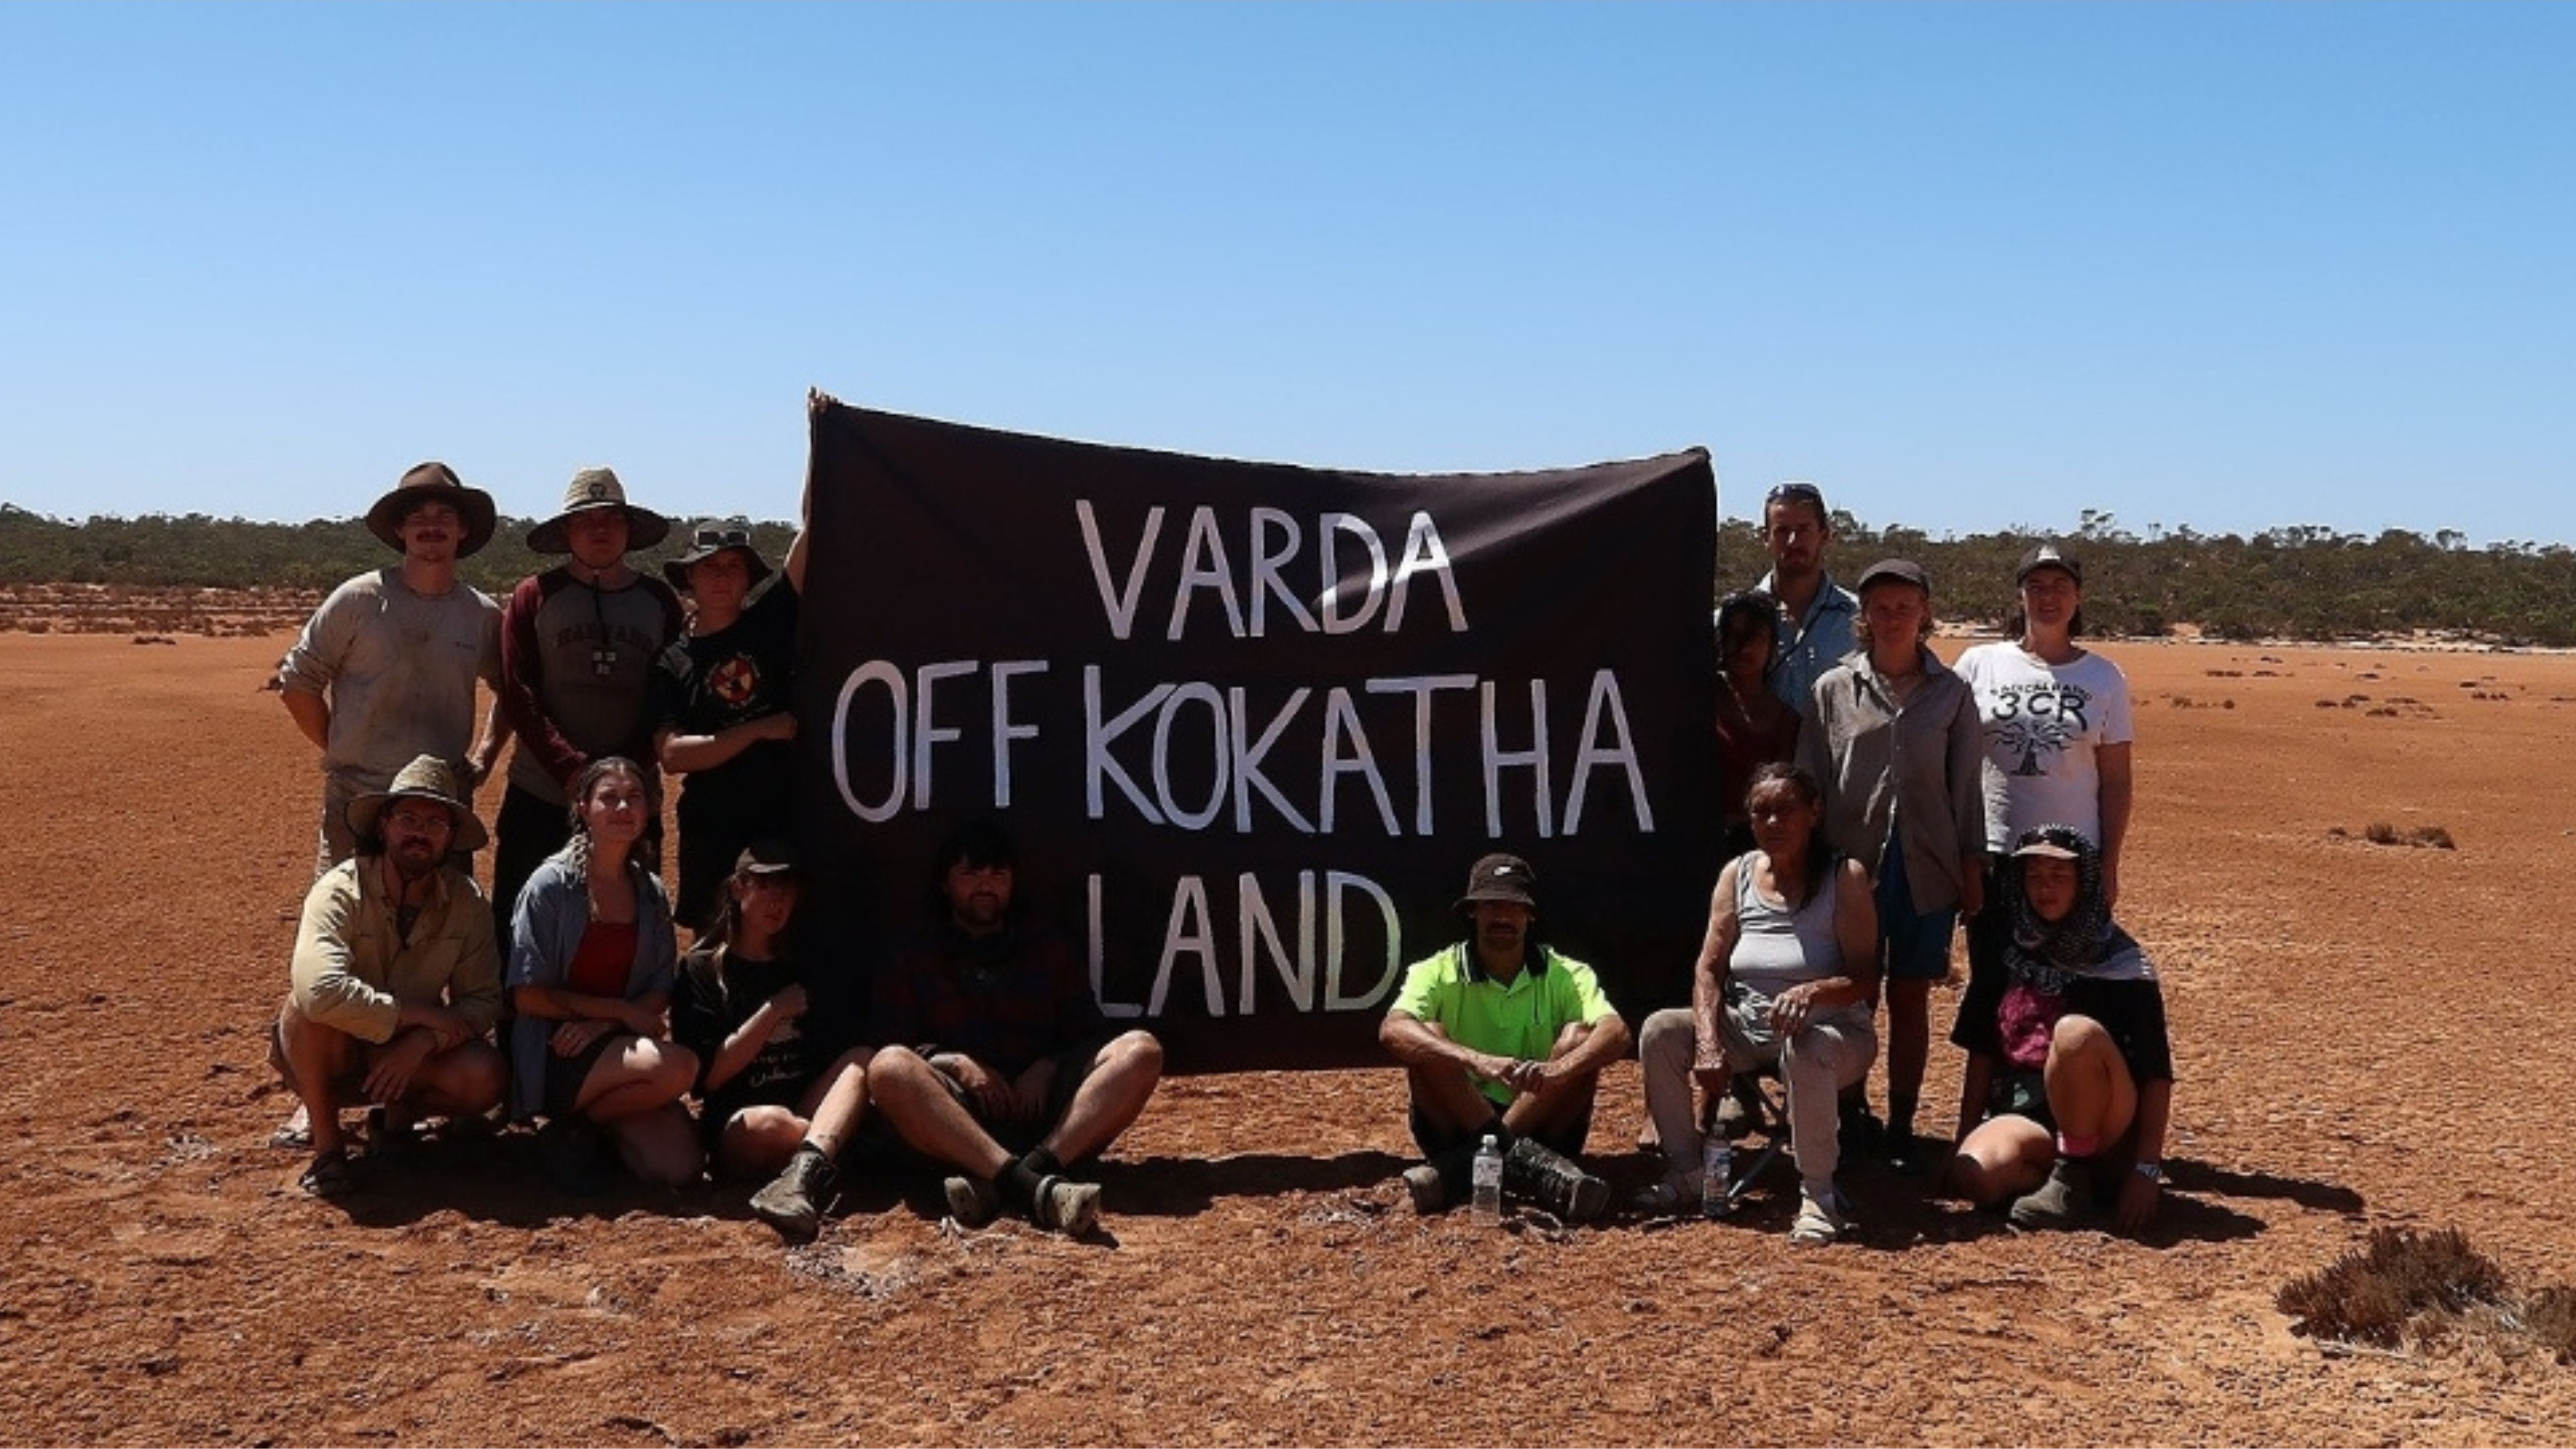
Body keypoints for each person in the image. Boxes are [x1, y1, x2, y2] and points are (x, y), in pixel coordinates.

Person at [865, 821, 1164, 1236]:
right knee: (889, 1068)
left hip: (1045, 1119)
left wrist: (1048, 1066)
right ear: (945, 884)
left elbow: (1090, 1034)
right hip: (956, 1118)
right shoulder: (914, 953)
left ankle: (1022, 1174)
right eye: (970, 875)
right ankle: (1034, 1189)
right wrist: (953, 1062)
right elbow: (887, 1040)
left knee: (1141, 1051)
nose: (984, 886)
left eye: (997, 875)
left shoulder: (1047, 947)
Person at [1634, 763, 1879, 1243]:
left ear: (1814, 813)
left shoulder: (1844, 877)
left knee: (1808, 1051)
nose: (1773, 823)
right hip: (1747, 1026)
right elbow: (1709, 966)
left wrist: (1814, 993)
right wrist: (1707, 1042)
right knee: (1661, 1031)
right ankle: (1686, 1170)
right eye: (1760, 812)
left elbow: (1868, 978)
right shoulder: (1738, 874)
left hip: (1835, 1034)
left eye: (1786, 810)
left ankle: (1818, 1197)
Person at [1796, 558, 1986, 1172]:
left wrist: (1972, 866)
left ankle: (1902, 1120)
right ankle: (1850, 1111)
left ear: (1925, 613)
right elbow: (1813, 781)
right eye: (1881, 607)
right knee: (1851, 994)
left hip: (1926, 866)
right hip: (1851, 865)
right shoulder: (1833, 689)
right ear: (1864, 616)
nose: (1894, 617)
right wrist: (1808, 866)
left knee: (1910, 995)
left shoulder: (1952, 693)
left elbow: (1967, 789)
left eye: (1907, 606)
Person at [271, 755, 505, 1197]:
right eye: (408, 817)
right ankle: (328, 1149)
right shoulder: (340, 890)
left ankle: (395, 1122)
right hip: (334, 1053)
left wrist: (422, 1042)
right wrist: (415, 1015)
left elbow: (484, 1000)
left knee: (485, 1076)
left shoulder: (467, 901)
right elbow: (319, 991)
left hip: (409, 1057)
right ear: (383, 826)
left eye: (435, 823)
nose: (420, 832)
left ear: (451, 839)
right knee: (307, 1011)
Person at [273, 461, 510, 875]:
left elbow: (511, 688)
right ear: (401, 530)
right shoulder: (358, 600)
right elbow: (298, 683)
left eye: (444, 517)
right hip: (357, 802)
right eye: (418, 517)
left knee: (441, 930)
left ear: (463, 530)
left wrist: (485, 757)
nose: (431, 526)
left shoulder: (482, 615)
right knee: (345, 926)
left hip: (443, 805)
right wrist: (343, 747)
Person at [1379, 853, 1629, 1223]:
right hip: (1453, 1122)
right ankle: (1534, 1169)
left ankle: (1462, 1169)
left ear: (1530, 915)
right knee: (1427, 1034)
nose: (1502, 916)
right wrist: (1475, 1060)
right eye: (1491, 905)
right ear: (1472, 912)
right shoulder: (1436, 969)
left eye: (1514, 906)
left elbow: (1618, 1033)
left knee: (1580, 1037)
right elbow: (1393, 1030)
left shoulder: (1566, 973)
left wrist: (1558, 1070)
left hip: (1546, 1123)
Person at [492, 468, 683, 950]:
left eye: (611, 520)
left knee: (626, 928)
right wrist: (572, 769)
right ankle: (518, 1026)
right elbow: (520, 692)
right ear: (566, 533)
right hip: (543, 791)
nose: (600, 530)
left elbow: (672, 690)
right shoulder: (535, 596)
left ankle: (621, 1024)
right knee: (520, 927)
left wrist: (626, 771)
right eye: (586, 521)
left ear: (628, 529)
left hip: (631, 797)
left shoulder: (658, 600)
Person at [1946, 826, 2172, 1233]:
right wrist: (1961, 1137)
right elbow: (1982, 1048)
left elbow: (2157, 1074)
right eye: (2035, 876)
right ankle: (2075, 1182)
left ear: (2083, 884)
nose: (2045, 889)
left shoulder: (2123, 962)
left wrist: (2147, 1168)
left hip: (2107, 1120)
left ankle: (2074, 1176)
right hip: (2029, 1109)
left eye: (2059, 877)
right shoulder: (2008, 949)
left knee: (2074, 1034)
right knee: (1975, 1176)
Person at [507, 756, 702, 1188]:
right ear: (583, 809)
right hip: (559, 1052)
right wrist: (614, 1015)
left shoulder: (649, 892)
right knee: (679, 1067)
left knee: (679, 1167)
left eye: (634, 798)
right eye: (608, 799)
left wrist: (607, 1022)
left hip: (616, 1048)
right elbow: (526, 995)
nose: (623, 809)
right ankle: (564, 1117)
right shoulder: (551, 887)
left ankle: (585, 1128)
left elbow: (658, 988)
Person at [672, 840, 872, 1243]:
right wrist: (773, 1011)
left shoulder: (802, 963)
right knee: (768, 1123)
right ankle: (832, 1150)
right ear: (737, 889)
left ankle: (808, 1166)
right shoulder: (703, 969)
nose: (777, 899)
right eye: (764, 885)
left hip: (802, 1106)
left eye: (787, 887)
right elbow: (708, 1077)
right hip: (738, 1125)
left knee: (863, 1059)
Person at [1954, 541, 2136, 919]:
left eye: (2060, 586)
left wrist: (2109, 864)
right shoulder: (1979, 663)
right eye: (2036, 586)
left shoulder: (2106, 677)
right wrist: (1966, 857)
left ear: (2078, 597)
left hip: (2071, 856)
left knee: (2070, 972)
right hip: (1996, 851)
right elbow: (1951, 761)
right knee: (1994, 974)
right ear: (2021, 596)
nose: (2048, 596)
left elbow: (2116, 780)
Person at [653, 514, 808, 936]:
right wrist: (758, 729)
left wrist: (821, 447)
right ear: (690, 577)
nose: (721, 577)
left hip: (777, 821)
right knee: (714, 940)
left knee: (782, 937)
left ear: (748, 578)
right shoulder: (672, 662)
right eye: (709, 567)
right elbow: (672, 754)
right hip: (712, 829)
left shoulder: (771, 622)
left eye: (733, 567)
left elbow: (815, 526)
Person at [1747, 480, 1859, 720]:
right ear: (1765, 538)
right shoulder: (1735, 621)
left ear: (1825, 535)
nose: (1793, 542)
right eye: (1782, 531)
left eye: (1804, 529)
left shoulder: (1861, 619)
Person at [1712, 588, 1802, 860]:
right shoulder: (1696, 697)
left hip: (1752, 854)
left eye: (1757, 637)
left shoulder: (1785, 720)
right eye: (1736, 636)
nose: (1746, 647)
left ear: (1773, 645)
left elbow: (1781, 797)